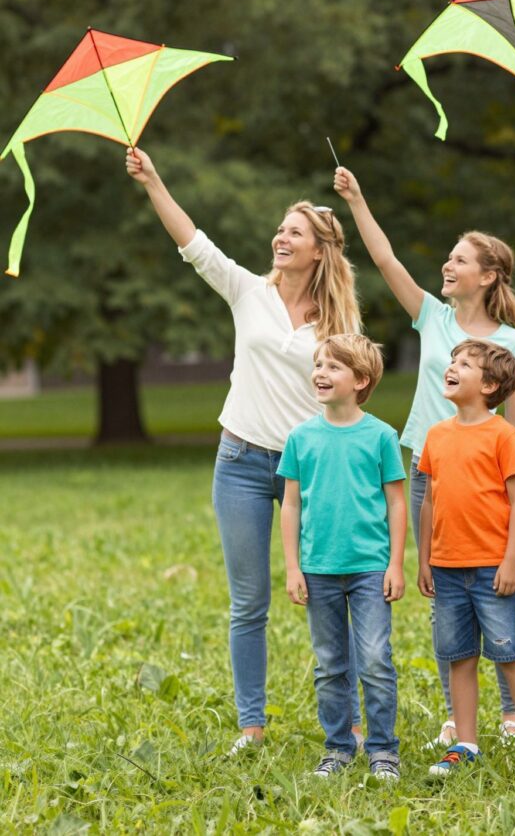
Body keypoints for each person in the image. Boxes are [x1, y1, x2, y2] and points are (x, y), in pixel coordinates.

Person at [125, 148, 364, 755]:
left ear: (319, 251)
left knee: (328, 596)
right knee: (249, 603)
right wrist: (154, 180)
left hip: (309, 471)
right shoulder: (247, 291)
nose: (281, 238)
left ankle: (348, 723)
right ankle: (251, 727)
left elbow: (352, 391)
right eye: (281, 229)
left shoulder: (339, 321)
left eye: (295, 232)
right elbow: (193, 243)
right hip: (240, 463)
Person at [333, 167, 515, 749]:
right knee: (445, 595)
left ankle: (511, 713)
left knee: (496, 591)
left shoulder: (511, 343)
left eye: (459, 260)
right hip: (430, 468)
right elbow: (385, 259)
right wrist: (357, 198)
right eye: (448, 257)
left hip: (489, 477)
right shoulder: (432, 317)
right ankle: (454, 714)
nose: (447, 265)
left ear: (487, 276)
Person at [416, 339, 515, 775]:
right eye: (452, 360)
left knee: (511, 655)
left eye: (464, 364)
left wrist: (511, 561)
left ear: (490, 385)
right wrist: (424, 559)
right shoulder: (436, 435)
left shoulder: (504, 435)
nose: (451, 367)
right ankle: (466, 743)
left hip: (493, 569)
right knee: (459, 657)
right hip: (446, 569)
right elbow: (429, 501)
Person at [278, 335, 405, 780]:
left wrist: (395, 564)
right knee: (330, 665)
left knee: (374, 660)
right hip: (318, 569)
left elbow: (396, 503)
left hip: (370, 567)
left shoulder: (382, 436)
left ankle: (383, 750)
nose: (321, 373)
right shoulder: (300, 437)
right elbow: (290, 504)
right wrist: (292, 566)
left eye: (333, 366)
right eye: (319, 364)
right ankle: (338, 747)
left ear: (361, 380)